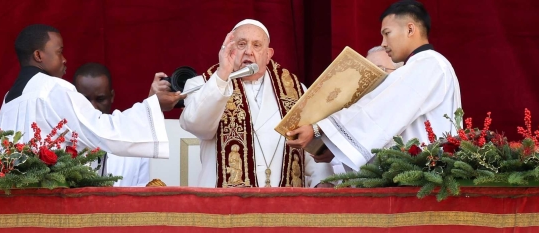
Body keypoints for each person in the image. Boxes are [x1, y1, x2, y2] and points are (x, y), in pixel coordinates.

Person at [287, 0, 461, 172]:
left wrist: (319, 128)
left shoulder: (429, 64)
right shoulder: (425, 65)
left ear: (410, 29)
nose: (384, 43)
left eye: (387, 33)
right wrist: (335, 148)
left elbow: (378, 110)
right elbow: (389, 125)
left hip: (423, 179)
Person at [180, 19, 333, 188]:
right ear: (229, 49)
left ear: (268, 54)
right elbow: (198, 126)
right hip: (226, 208)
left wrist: (322, 183)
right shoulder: (202, 84)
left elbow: (310, 147)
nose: (248, 51)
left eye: (257, 45)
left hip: (285, 206)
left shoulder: (296, 90)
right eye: (241, 44)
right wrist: (223, 74)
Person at [0, 24, 184, 159]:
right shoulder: (52, 88)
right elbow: (101, 132)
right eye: (59, 51)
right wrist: (153, 105)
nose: (64, 60)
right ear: (38, 55)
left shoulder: (8, 100)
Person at [73, 62, 154, 186]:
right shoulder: (61, 139)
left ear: (112, 96)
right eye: (85, 100)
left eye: (100, 99)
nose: (93, 107)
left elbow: (142, 192)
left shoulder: (135, 140)